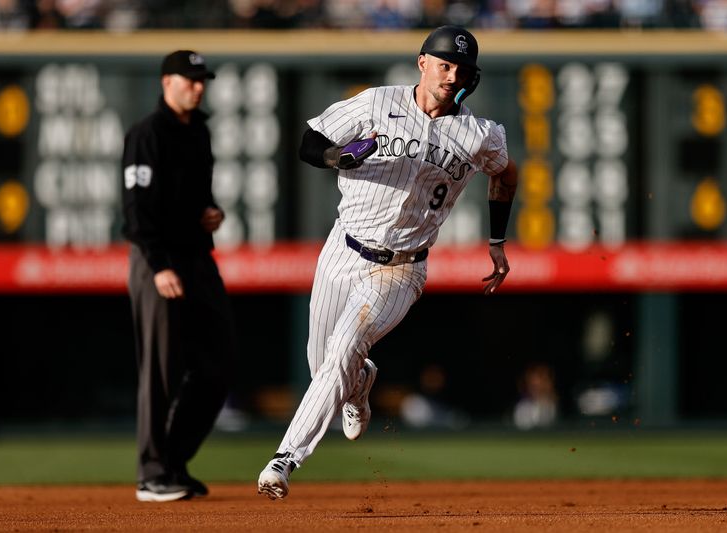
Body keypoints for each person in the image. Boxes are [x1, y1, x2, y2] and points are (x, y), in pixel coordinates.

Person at [257, 25, 519, 500]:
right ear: (422, 63)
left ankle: (284, 459)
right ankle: (361, 384)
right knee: (325, 365)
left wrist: (497, 239)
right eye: (444, 64)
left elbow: (506, 172)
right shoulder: (377, 102)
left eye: (461, 69)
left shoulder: (479, 134)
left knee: (343, 347)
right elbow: (309, 141)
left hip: (402, 267)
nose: (451, 74)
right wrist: (339, 155)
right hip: (343, 249)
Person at [122, 50, 237, 502]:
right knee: (161, 368)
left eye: (201, 80)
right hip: (159, 260)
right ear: (166, 81)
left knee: (219, 362)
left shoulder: (199, 131)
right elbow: (136, 210)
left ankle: (173, 462)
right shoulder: (146, 134)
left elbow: (199, 197)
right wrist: (158, 264)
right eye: (189, 79)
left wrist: (211, 213)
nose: (198, 87)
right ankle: (151, 473)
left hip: (197, 255)